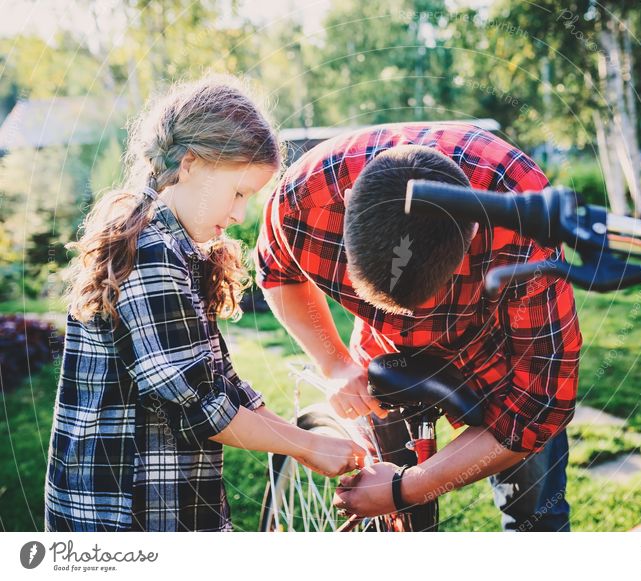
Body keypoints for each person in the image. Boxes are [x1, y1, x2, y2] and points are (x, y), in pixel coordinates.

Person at [44, 77, 365, 532]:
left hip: (166, 501)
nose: (238, 215)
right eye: (238, 193)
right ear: (190, 163)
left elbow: (220, 384)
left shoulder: (176, 249)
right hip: (123, 513)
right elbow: (205, 411)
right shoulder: (149, 253)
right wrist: (304, 446)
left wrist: (301, 438)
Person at [255, 122, 582, 531]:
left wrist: (406, 488)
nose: (412, 319)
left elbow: (540, 405)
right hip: (382, 349)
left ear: (474, 230)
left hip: (496, 350)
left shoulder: (522, 214)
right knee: (398, 527)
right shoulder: (304, 196)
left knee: (537, 519)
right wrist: (335, 363)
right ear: (349, 203)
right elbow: (277, 273)